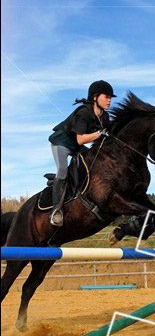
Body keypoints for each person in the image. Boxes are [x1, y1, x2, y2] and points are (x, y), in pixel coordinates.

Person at [47, 80, 115, 227]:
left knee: (92, 160)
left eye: (111, 97)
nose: (109, 100)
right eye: (106, 97)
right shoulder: (84, 112)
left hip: (77, 146)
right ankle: (56, 211)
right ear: (95, 97)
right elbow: (80, 140)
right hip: (62, 143)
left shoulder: (105, 117)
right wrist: (100, 133)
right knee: (62, 170)